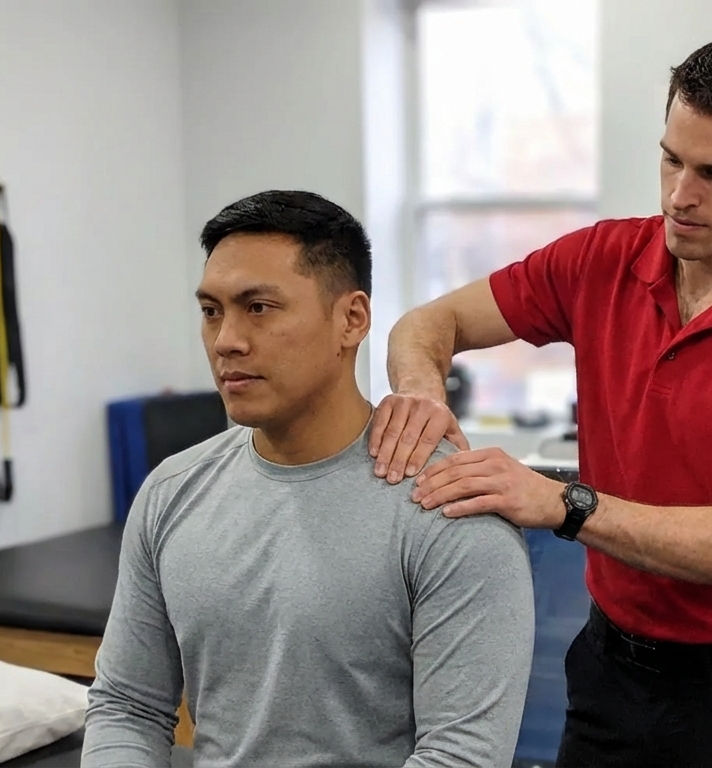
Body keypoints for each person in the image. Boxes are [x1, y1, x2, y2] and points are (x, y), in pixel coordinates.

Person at [371, 37, 712, 767]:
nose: (679, 195)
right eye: (672, 159)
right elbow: (427, 325)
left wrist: (562, 503)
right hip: (611, 669)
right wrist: (420, 396)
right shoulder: (600, 260)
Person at [82, 190, 536, 767]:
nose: (226, 340)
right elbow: (127, 706)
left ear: (351, 320)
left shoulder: (449, 509)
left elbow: (461, 756)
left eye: (259, 307)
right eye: (211, 311)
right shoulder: (170, 493)